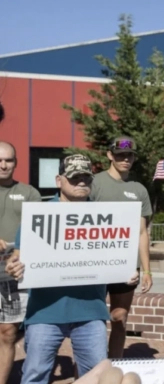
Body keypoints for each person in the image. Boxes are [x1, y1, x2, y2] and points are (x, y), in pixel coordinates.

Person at [5, 155, 139, 384]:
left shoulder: (107, 216)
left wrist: (128, 271)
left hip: (91, 311)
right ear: (59, 180)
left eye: (86, 177)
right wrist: (14, 265)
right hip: (45, 312)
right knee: (35, 375)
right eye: (75, 177)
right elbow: (18, 255)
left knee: (96, 375)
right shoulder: (38, 215)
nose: (81, 183)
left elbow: (117, 256)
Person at [89, 136, 153, 358]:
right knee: (91, 322)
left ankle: (115, 365)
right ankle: (88, 371)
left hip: (126, 267)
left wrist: (147, 270)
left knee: (119, 318)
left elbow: (142, 232)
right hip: (94, 264)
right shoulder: (94, 183)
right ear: (110, 155)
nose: (125, 159)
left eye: (129, 155)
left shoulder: (138, 189)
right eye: (120, 155)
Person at [0, 141, 41, 384]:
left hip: (12, 273)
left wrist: (22, 252)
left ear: (16, 162)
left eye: (8, 160)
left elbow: (37, 233)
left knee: (7, 333)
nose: (3, 165)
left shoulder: (29, 193)